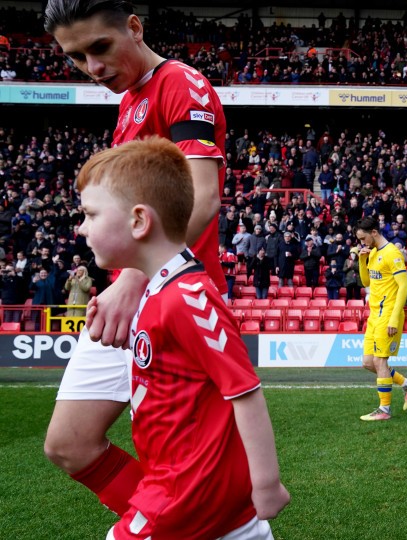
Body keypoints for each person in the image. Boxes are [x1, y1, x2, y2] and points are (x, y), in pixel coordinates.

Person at [43, 0, 228, 516]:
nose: (93, 68)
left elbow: (204, 195)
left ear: (134, 27)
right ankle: (171, 521)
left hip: (175, 302)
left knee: (187, 467)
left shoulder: (181, 84)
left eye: (100, 48)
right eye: (77, 58)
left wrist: (130, 279)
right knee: (70, 443)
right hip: (127, 299)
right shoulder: (130, 101)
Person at [75, 138, 288, 538]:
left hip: (186, 496)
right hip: (188, 490)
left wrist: (266, 483)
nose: (81, 226)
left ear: (139, 221)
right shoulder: (157, 290)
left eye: (90, 213)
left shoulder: (188, 298)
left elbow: (244, 391)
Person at [355, 216, 407, 421]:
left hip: (388, 313)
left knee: (379, 360)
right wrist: (362, 259)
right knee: (367, 362)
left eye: (363, 238)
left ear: (374, 233)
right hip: (374, 314)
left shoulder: (393, 253)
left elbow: (404, 286)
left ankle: (384, 410)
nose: (362, 243)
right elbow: (365, 281)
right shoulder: (372, 252)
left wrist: (393, 318)